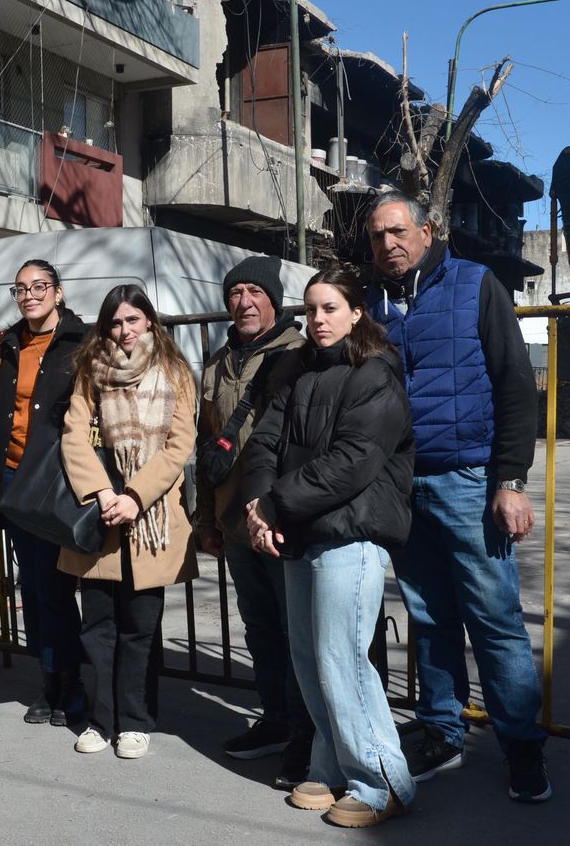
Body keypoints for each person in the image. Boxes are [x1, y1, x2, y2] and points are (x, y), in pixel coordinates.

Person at [364, 190, 550, 803]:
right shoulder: (373, 303)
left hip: (469, 482)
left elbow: (516, 386)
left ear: (426, 230)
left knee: (495, 623)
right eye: (376, 237)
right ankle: (441, 730)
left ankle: (522, 748)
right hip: (401, 483)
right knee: (428, 617)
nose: (387, 245)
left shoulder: (475, 285)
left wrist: (511, 481)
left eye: (397, 232)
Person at [242, 266, 417, 829]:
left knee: (344, 659)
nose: (318, 320)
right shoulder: (298, 369)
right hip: (299, 528)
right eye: (312, 310)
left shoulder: (376, 373)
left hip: (350, 532)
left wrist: (275, 505)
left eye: (330, 308)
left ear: (357, 311)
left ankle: (382, 780)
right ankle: (330, 764)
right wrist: (258, 506)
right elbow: (265, 441)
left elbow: (353, 462)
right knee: (309, 660)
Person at [60, 284, 198, 760]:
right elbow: (73, 436)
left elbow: (180, 445)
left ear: (150, 324)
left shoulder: (175, 372)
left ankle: (135, 721)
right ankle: (103, 720)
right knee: (97, 625)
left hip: (149, 515)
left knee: (140, 626)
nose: (124, 331)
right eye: (115, 323)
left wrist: (135, 496)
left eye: (132, 321)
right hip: (99, 514)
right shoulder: (89, 373)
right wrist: (103, 492)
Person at [194, 256, 313, 787]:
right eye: (235, 292)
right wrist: (207, 518)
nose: (243, 301)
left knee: (298, 630)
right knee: (261, 627)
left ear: (274, 299)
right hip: (235, 521)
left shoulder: (300, 355)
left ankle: (307, 731)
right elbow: (205, 445)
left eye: (254, 292)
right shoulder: (217, 363)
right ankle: (276, 720)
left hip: (283, 520)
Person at [0, 259, 89, 726]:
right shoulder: (8, 343)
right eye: (21, 289)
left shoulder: (81, 341)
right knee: (34, 588)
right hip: (14, 477)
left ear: (58, 293)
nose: (30, 295)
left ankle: (71, 681)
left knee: (56, 586)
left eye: (39, 287)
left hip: (57, 479)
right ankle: (49, 680)